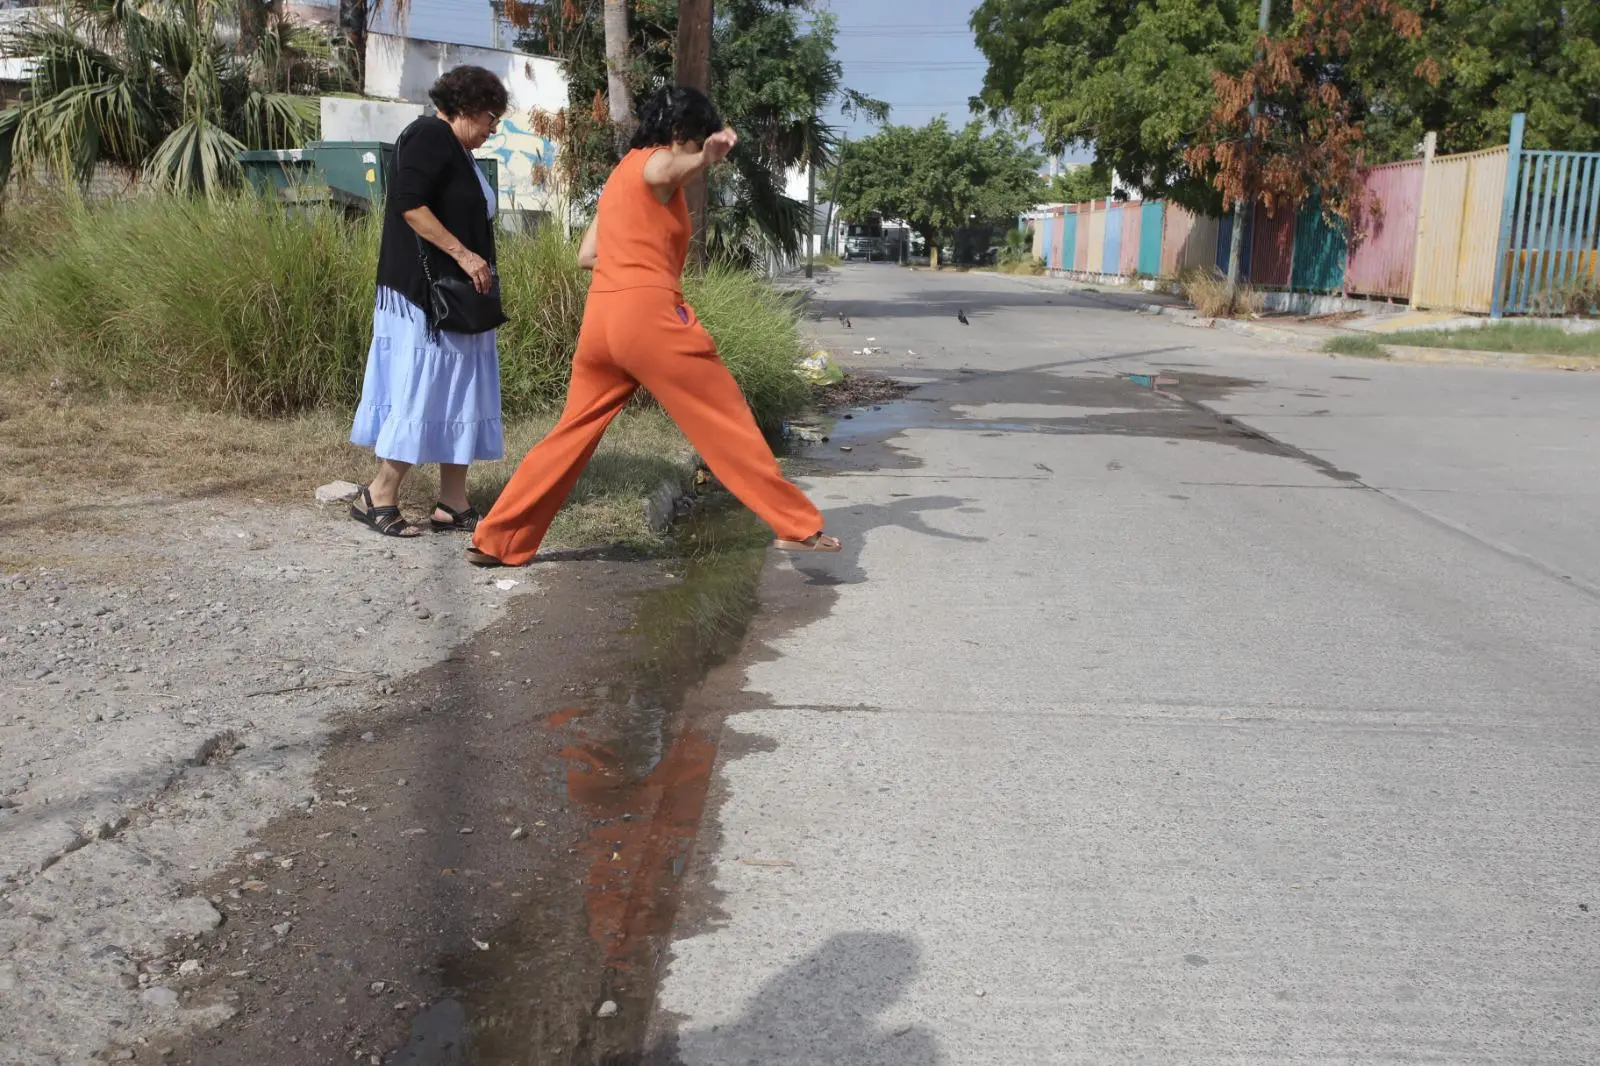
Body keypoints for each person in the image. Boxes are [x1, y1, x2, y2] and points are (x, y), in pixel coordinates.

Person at [467, 85, 840, 567]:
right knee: (726, 420)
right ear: (682, 133)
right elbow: (670, 166)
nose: (695, 153)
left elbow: (586, 256)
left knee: (569, 435)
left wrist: (634, 255)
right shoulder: (659, 164)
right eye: (696, 138)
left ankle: (496, 539)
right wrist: (705, 157)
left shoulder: (619, 177)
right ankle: (795, 525)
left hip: (603, 320)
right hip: (651, 319)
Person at [348, 65, 510, 538]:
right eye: (490, 118)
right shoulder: (428, 135)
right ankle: (377, 494)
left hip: (458, 301)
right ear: (468, 111)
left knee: (461, 392)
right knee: (426, 389)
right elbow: (409, 204)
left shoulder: (458, 151)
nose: (493, 128)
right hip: (425, 299)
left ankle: (453, 503)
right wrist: (464, 256)